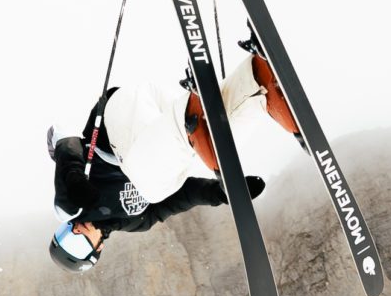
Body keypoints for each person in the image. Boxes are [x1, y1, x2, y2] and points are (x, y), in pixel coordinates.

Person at [47, 31, 301, 273]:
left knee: (154, 183)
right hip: (160, 120)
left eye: (66, 234)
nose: (76, 232)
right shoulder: (135, 222)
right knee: (211, 142)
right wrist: (221, 193)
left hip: (117, 121)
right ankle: (258, 82)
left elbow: (62, 136)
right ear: (98, 249)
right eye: (76, 245)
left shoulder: (71, 207)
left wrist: (72, 175)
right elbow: (182, 195)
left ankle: (189, 122)